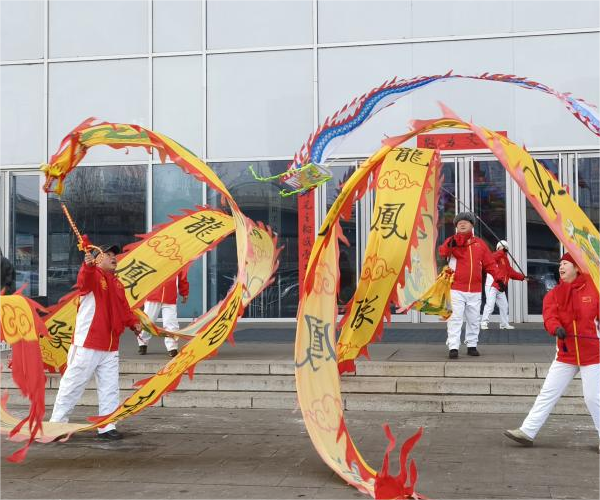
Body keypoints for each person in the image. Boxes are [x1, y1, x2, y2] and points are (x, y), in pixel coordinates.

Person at [504, 253, 600, 452]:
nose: (561, 267)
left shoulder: (594, 288)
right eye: (560, 265)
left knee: (592, 397)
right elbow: (550, 317)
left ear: (577, 267)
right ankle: (527, 432)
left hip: (593, 355)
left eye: (565, 263)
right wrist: (556, 328)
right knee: (547, 393)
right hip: (566, 354)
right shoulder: (554, 294)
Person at [49, 245, 141, 440]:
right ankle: (57, 424)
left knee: (110, 387)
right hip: (88, 341)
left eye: (114, 255)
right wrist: (87, 265)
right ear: (97, 260)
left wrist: (133, 323)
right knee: (73, 383)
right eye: (108, 255)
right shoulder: (93, 276)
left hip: (110, 344)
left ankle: (107, 426)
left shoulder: (117, 283)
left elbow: (123, 308)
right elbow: (84, 281)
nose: (113, 258)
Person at [438, 212, 501, 359]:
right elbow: (442, 252)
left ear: (472, 225)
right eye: (459, 222)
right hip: (456, 288)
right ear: (456, 226)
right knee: (455, 319)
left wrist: (499, 280)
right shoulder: (452, 240)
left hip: (475, 290)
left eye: (466, 221)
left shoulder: (480, 244)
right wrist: (450, 244)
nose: (462, 223)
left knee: (474, 320)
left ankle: (472, 345)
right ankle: (453, 347)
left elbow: (490, 264)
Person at [137, 271, 189, 357]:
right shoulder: (152, 257)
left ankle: (172, 347)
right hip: (152, 294)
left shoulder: (178, 259)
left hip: (170, 295)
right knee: (148, 320)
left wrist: (184, 292)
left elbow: (182, 275)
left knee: (171, 322)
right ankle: (142, 343)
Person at [480, 240, 526, 330]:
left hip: (501, 287)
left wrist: (523, 277)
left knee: (504, 306)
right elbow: (491, 258)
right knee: (490, 305)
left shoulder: (505, 260)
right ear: (498, 248)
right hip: (492, 285)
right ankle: (484, 322)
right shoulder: (495, 256)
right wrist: (501, 252)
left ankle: (504, 324)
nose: (505, 249)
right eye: (503, 247)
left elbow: (510, 272)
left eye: (506, 248)